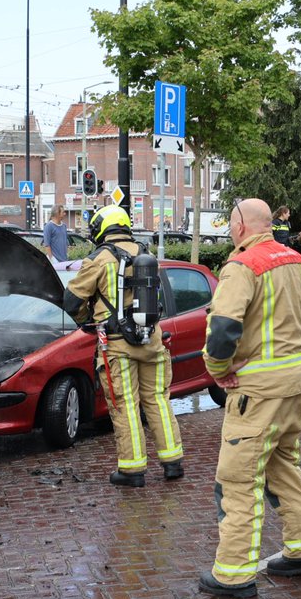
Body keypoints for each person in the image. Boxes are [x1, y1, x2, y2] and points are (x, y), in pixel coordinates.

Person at [199, 198, 301, 599]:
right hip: (293, 382)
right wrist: (295, 343)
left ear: (241, 225)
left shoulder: (242, 266)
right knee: (282, 467)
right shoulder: (293, 259)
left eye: (230, 225)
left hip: (255, 390)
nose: (229, 232)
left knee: (237, 480)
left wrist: (219, 372)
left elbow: (222, 330)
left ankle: (234, 575)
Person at [63, 204, 184, 487]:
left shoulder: (99, 259)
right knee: (158, 400)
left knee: (126, 405)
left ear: (101, 229)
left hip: (117, 346)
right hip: (152, 339)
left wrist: (86, 318)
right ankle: (173, 462)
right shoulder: (145, 254)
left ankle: (132, 470)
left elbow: (71, 301)